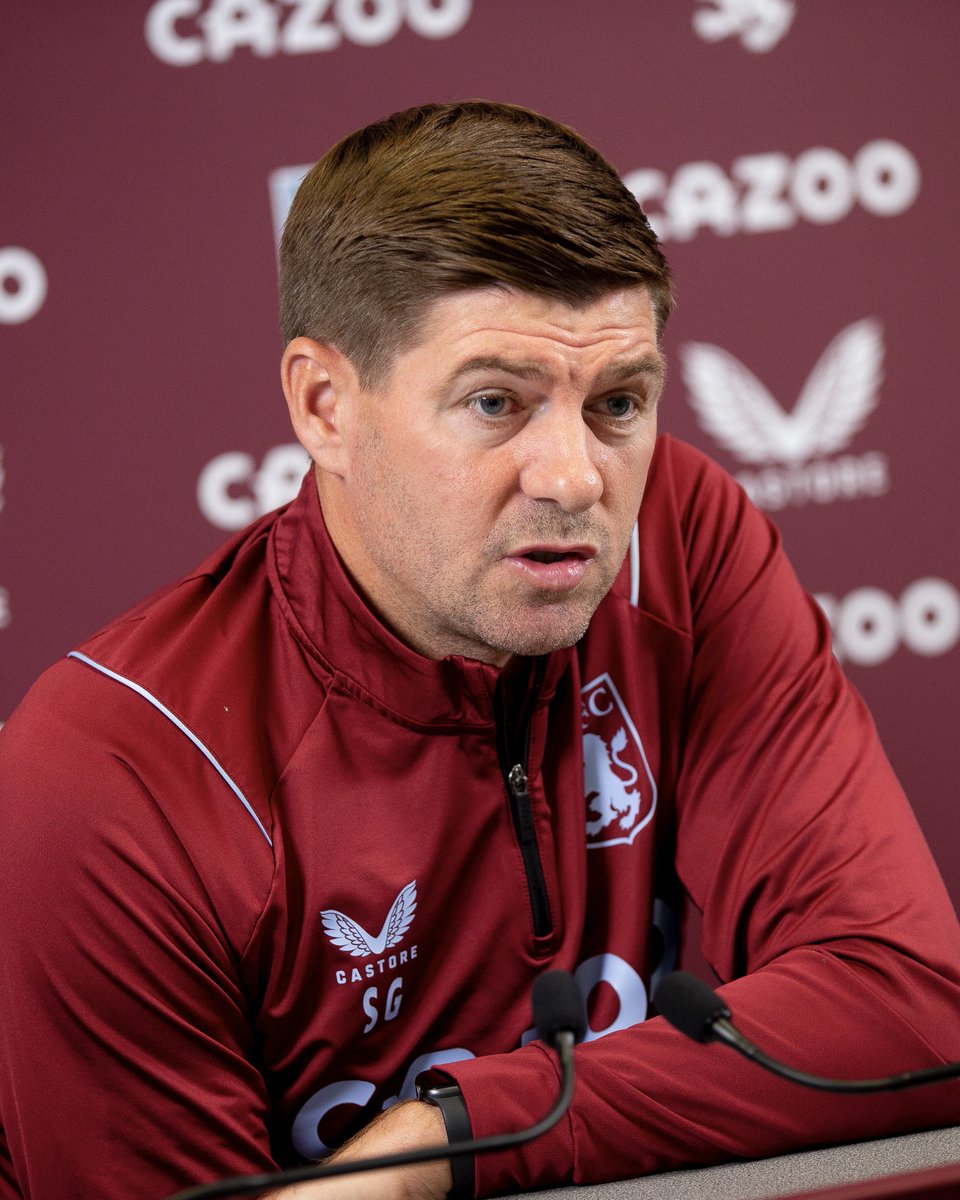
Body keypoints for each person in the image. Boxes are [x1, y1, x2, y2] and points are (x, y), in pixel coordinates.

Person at [0, 100, 958, 1200]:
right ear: (324, 407)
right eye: (496, 402)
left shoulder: (678, 539)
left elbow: (909, 1011)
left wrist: (444, 1142)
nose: (576, 478)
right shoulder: (115, 773)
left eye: (618, 403)